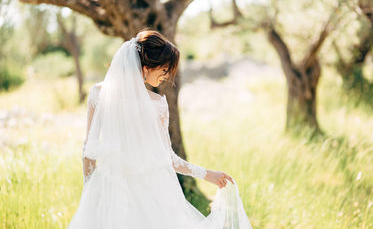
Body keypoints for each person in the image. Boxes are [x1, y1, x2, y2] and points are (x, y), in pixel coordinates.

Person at [68, 30, 252, 229]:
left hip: (132, 192)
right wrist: (90, 192)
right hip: (118, 190)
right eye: (164, 70)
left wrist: (207, 174)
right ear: (146, 68)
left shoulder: (153, 103)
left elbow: (167, 157)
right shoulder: (104, 95)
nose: (166, 77)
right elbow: (89, 148)